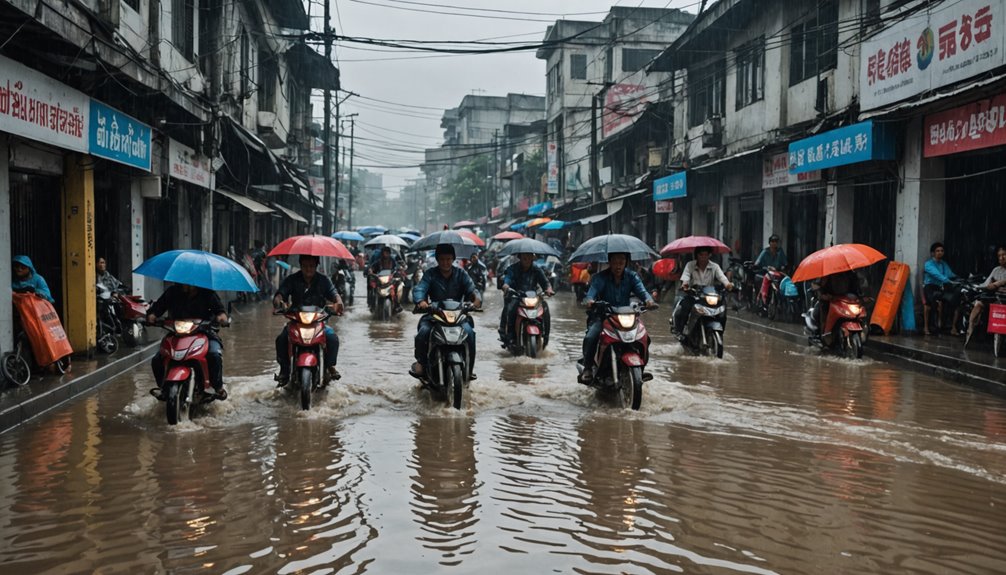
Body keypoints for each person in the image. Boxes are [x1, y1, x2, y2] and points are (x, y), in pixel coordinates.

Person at [580, 252, 658, 383]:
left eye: (622, 261)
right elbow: (591, 293)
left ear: (626, 262)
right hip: (603, 316)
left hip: (626, 315)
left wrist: (649, 300)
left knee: (645, 338)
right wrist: (589, 301)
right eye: (615, 262)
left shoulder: (632, 276)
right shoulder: (600, 278)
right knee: (591, 337)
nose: (618, 265)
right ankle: (587, 368)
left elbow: (642, 291)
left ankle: (641, 370)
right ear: (609, 262)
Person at [410, 244, 482, 380]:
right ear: (437, 259)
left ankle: (469, 369)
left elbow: (472, 291)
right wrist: (421, 301)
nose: (445, 262)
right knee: (423, 332)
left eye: (448, 259)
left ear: (453, 259)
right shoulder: (430, 274)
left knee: (470, 333)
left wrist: (476, 301)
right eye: (442, 259)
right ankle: (422, 364)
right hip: (435, 315)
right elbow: (420, 289)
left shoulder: (461, 274)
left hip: (459, 316)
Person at [146, 282, 230, 399]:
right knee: (157, 359)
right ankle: (163, 388)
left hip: (205, 332)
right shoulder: (172, 292)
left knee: (214, 355)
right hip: (177, 333)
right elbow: (157, 308)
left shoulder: (207, 293)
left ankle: (218, 388)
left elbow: (220, 311)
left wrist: (222, 318)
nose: (184, 284)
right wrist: (152, 315)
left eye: (187, 282)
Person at [272, 254, 344, 386]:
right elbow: (280, 293)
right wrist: (279, 302)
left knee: (332, 338)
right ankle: (284, 369)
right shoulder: (292, 279)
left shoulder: (324, 280)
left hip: (318, 321)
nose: (308, 269)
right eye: (305, 266)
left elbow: (334, 294)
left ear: (316, 266)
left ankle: (329, 366)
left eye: (311, 266)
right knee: (282, 338)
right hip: (296, 321)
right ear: (301, 266)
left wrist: (338, 303)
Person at [672, 247, 734, 338]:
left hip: (709, 296)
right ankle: (680, 332)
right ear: (697, 255)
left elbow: (722, 278)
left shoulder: (715, 266)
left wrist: (728, 285)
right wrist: (685, 284)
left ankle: (720, 333)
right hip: (693, 295)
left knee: (722, 309)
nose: (704, 257)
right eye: (701, 255)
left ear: (710, 255)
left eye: (706, 255)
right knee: (683, 308)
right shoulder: (690, 265)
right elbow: (685, 277)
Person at [498, 252, 554, 347]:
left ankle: (545, 335)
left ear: (532, 258)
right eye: (524, 258)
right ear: (520, 257)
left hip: (532, 297)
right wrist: (506, 286)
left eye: (529, 257)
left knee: (544, 306)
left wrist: (549, 290)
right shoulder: (512, 269)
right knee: (511, 308)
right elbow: (507, 279)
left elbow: (545, 283)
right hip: (516, 296)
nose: (527, 260)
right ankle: (510, 337)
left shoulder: (537, 270)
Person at [966, 246, 1006, 345]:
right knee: (978, 304)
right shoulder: (996, 270)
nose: (1001, 258)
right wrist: (978, 287)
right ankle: (970, 328)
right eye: (999, 256)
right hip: (995, 299)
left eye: (1004, 255)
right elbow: (985, 284)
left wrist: (999, 283)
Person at [923, 242, 961, 336]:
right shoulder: (928, 264)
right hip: (930, 287)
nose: (940, 252)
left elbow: (950, 274)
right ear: (933, 253)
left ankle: (944, 326)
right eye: (937, 251)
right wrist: (948, 280)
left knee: (951, 300)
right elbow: (937, 274)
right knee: (933, 303)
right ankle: (927, 327)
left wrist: (958, 278)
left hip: (940, 287)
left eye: (942, 251)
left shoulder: (944, 264)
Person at [808, 270, 862, 335]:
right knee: (825, 316)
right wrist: (822, 295)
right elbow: (816, 286)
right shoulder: (826, 275)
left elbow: (856, 287)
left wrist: (861, 296)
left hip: (846, 301)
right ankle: (824, 335)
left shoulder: (850, 274)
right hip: (829, 300)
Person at [754, 234, 787, 307]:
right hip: (766, 273)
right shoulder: (765, 252)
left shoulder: (780, 252)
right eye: (773, 241)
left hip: (777, 274)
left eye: (776, 241)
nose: (774, 243)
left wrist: (783, 267)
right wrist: (765, 267)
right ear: (770, 243)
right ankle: (762, 299)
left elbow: (785, 263)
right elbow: (757, 263)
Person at [368, 246, 404, 312]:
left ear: (389, 253)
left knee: (396, 288)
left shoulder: (392, 260)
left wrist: (399, 270)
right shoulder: (379, 261)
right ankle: (372, 305)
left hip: (390, 279)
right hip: (381, 280)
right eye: (385, 253)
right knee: (373, 289)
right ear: (382, 253)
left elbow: (397, 267)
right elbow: (372, 267)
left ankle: (397, 304)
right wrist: (371, 271)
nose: (386, 254)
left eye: (387, 253)